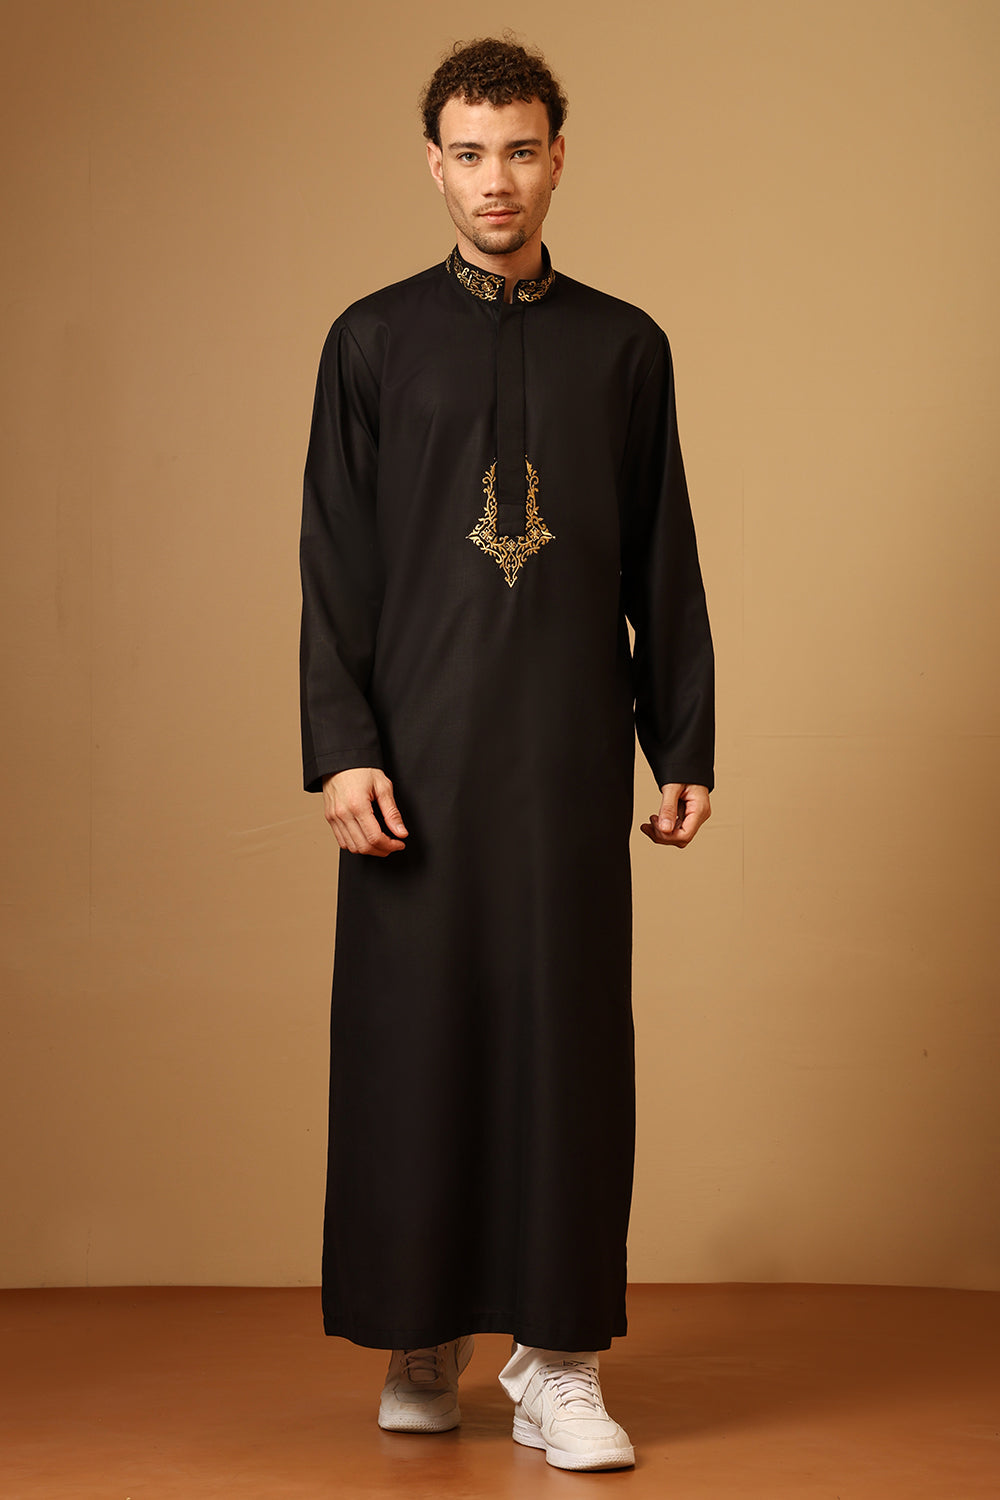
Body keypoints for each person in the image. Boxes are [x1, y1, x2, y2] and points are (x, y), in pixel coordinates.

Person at [298, 36, 715, 1473]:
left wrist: (682, 736)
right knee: (412, 1046)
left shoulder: (624, 347)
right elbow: (335, 564)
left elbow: (663, 555)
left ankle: (561, 1360)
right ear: (434, 165)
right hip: (413, 762)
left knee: (567, 1050)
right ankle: (420, 1335)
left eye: (521, 150)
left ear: (557, 158)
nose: (497, 180)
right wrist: (341, 748)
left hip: (565, 758)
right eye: (470, 153)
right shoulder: (370, 343)